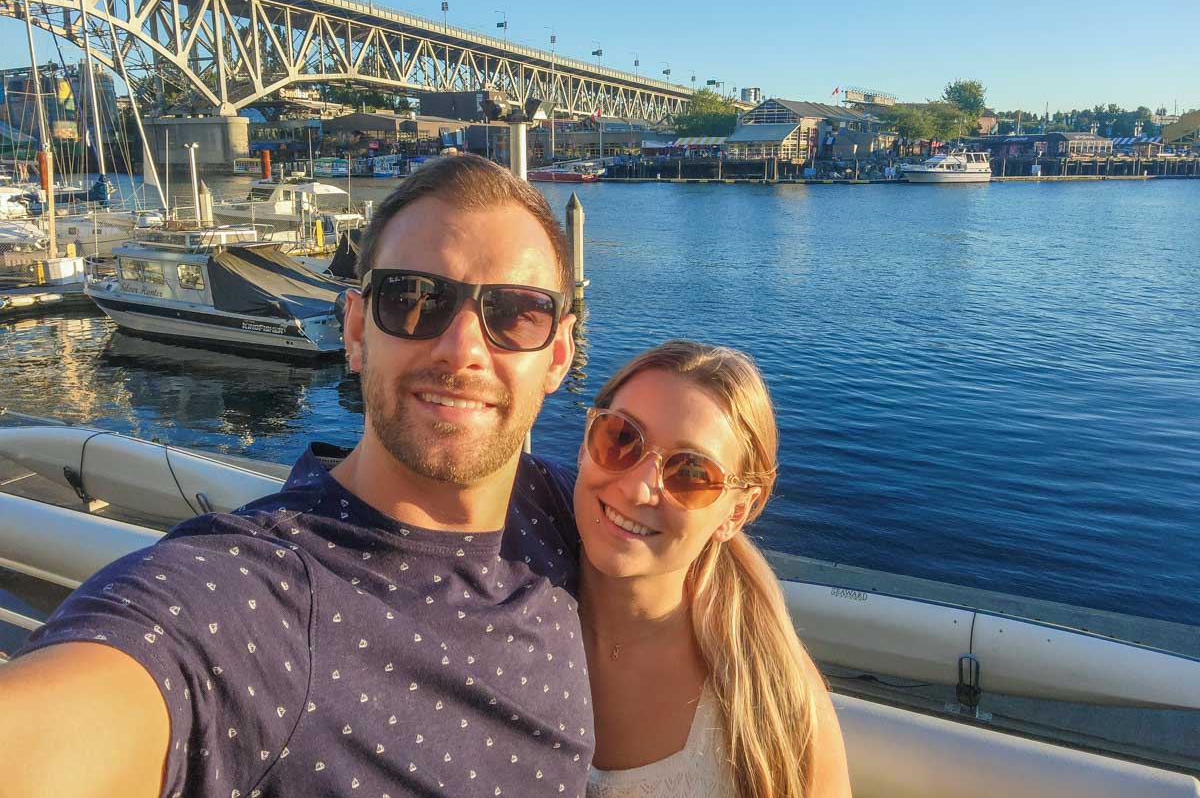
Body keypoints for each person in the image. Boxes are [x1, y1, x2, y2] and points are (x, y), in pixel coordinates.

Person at [0, 154, 594, 798]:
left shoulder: (567, 509)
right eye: (414, 300)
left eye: (515, 313)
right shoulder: (256, 602)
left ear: (558, 355)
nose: (463, 349)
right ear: (357, 330)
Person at [575, 340, 851, 797]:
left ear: (736, 513)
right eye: (620, 438)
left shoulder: (774, 699)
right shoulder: (504, 600)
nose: (638, 488)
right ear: (585, 445)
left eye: (691, 474)